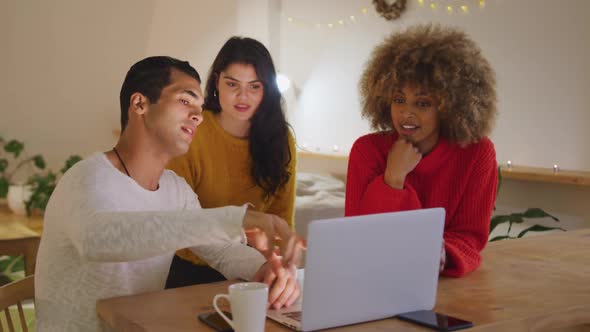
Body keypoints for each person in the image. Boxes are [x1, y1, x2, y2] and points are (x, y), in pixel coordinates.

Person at [35, 56, 300, 332]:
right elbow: (100, 239)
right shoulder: (86, 177)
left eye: (199, 106)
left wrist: (267, 269)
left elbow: (221, 250)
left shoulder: (175, 189)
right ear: (139, 104)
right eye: (185, 101)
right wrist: (238, 220)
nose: (198, 115)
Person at [345, 24, 498, 277]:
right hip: (373, 281)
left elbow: (470, 239)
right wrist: (393, 178)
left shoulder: (477, 153)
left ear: (450, 106)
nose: (406, 113)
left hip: (446, 285)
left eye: (423, 103)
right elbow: (359, 238)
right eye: (398, 99)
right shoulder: (367, 150)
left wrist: (438, 253)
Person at [165, 36, 297, 296]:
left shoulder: (281, 139)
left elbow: (282, 220)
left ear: (266, 90)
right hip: (193, 271)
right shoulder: (192, 133)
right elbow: (180, 223)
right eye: (232, 84)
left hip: (255, 272)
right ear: (216, 82)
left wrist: (281, 269)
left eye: (254, 86)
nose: (242, 96)